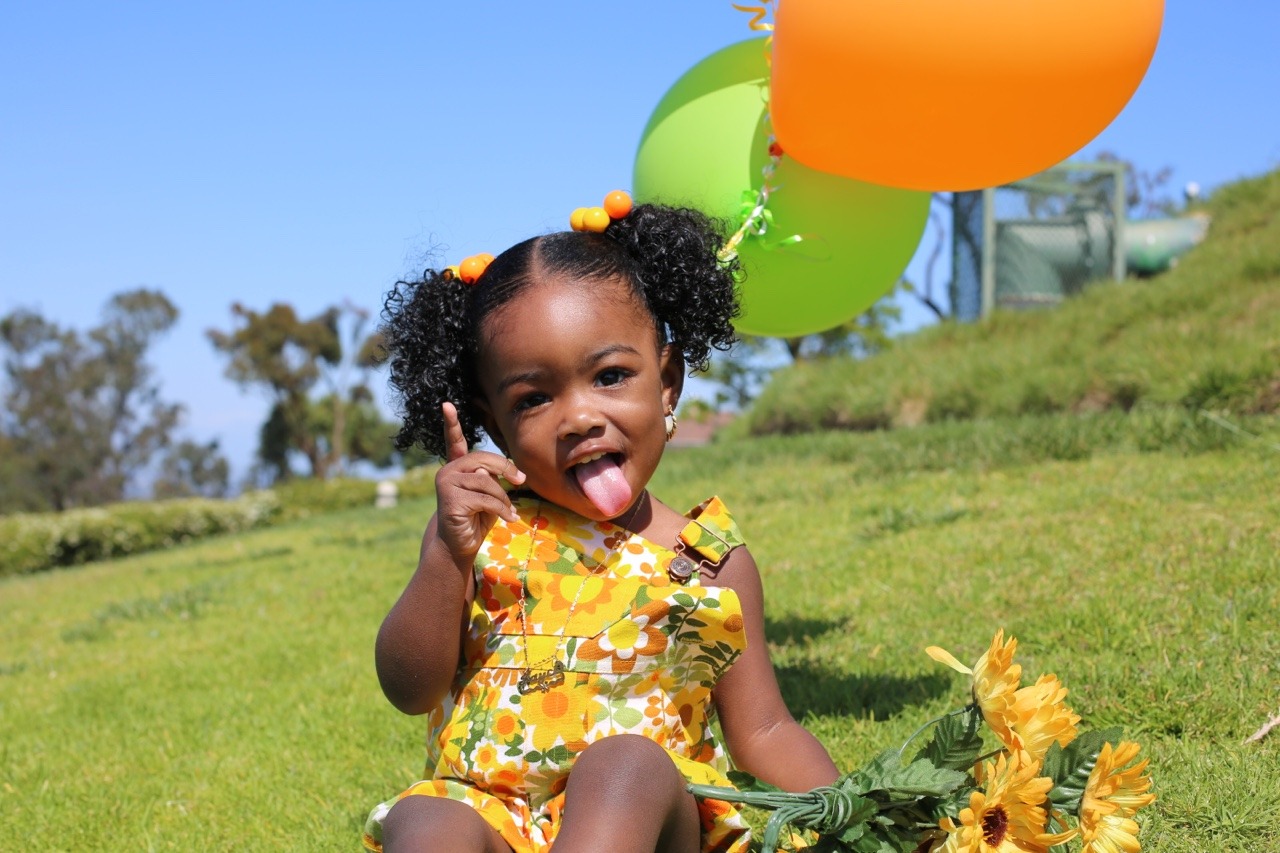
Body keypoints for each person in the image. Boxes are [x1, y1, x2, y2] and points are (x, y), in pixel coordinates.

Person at [363, 192, 838, 853]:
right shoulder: (479, 532)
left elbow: (763, 733)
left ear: (667, 382)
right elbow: (409, 687)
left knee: (626, 763)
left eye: (610, 375)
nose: (580, 416)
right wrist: (446, 556)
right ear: (493, 423)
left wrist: (859, 812)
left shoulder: (708, 563)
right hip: (493, 816)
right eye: (534, 398)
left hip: (646, 824)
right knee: (423, 820)